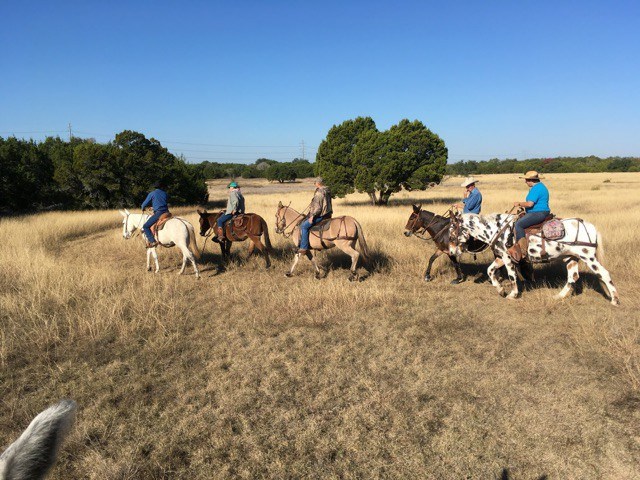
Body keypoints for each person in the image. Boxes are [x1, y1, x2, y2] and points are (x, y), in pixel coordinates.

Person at [508, 171, 551, 262]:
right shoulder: (539, 187)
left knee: (519, 224)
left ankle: (522, 251)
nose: (525, 182)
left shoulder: (537, 188)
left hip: (538, 213)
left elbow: (530, 204)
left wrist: (519, 203)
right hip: (539, 212)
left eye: (526, 180)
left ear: (532, 180)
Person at [298, 177, 333, 255]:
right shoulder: (327, 190)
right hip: (328, 214)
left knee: (304, 226)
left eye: (315, 183)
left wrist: (312, 216)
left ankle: (303, 248)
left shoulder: (319, 193)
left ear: (318, 183)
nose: (314, 184)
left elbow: (318, 208)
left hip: (320, 215)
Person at [141, 180, 169, 248]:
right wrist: (153, 207)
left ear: (155, 187)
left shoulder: (152, 193)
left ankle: (152, 241)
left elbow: (144, 204)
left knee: (145, 226)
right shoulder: (165, 193)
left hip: (159, 213)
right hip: (167, 212)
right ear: (162, 187)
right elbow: (162, 202)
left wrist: (143, 207)